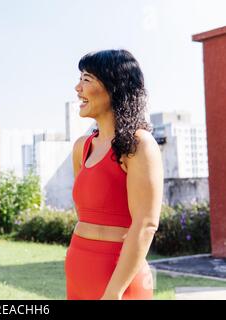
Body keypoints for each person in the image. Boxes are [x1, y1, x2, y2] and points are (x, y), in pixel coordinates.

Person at [65, 49, 163, 300]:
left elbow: (146, 224)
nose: (78, 88)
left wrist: (114, 292)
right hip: (78, 267)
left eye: (86, 79)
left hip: (120, 278)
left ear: (114, 86)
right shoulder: (81, 148)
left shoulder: (139, 145)